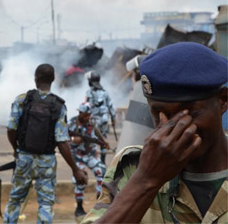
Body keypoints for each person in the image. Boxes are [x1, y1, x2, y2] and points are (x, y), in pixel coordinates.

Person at [82, 42, 228, 223]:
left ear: (223, 100)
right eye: (160, 114)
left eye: (189, 112)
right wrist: (146, 180)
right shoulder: (132, 167)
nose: (175, 128)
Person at [4, 63, 87, 224]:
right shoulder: (58, 106)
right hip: (47, 162)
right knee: (46, 204)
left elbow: (11, 129)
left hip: (24, 158)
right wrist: (75, 169)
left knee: (15, 199)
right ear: (53, 79)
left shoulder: (22, 100)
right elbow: (62, 141)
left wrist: (16, 149)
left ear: (36, 79)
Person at [68, 102, 108, 217]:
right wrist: (73, 139)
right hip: (77, 155)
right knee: (80, 179)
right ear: (80, 113)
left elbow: (97, 132)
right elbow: (63, 138)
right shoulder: (72, 123)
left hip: (90, 154)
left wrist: (103, 142)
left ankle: (99, 205)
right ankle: (79, 208)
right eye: (85, 115)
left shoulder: (92, 121)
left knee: (101, 172)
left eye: (88, 115)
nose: (87, 117)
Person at [85, 71, 116, 138]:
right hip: (105, 119)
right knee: (103, 138)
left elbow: (87, 106)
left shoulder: (89, 92)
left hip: (94, 120)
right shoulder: (105, 92)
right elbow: (110, 106)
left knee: (94, 138)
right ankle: (103, 148)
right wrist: (113, 119)